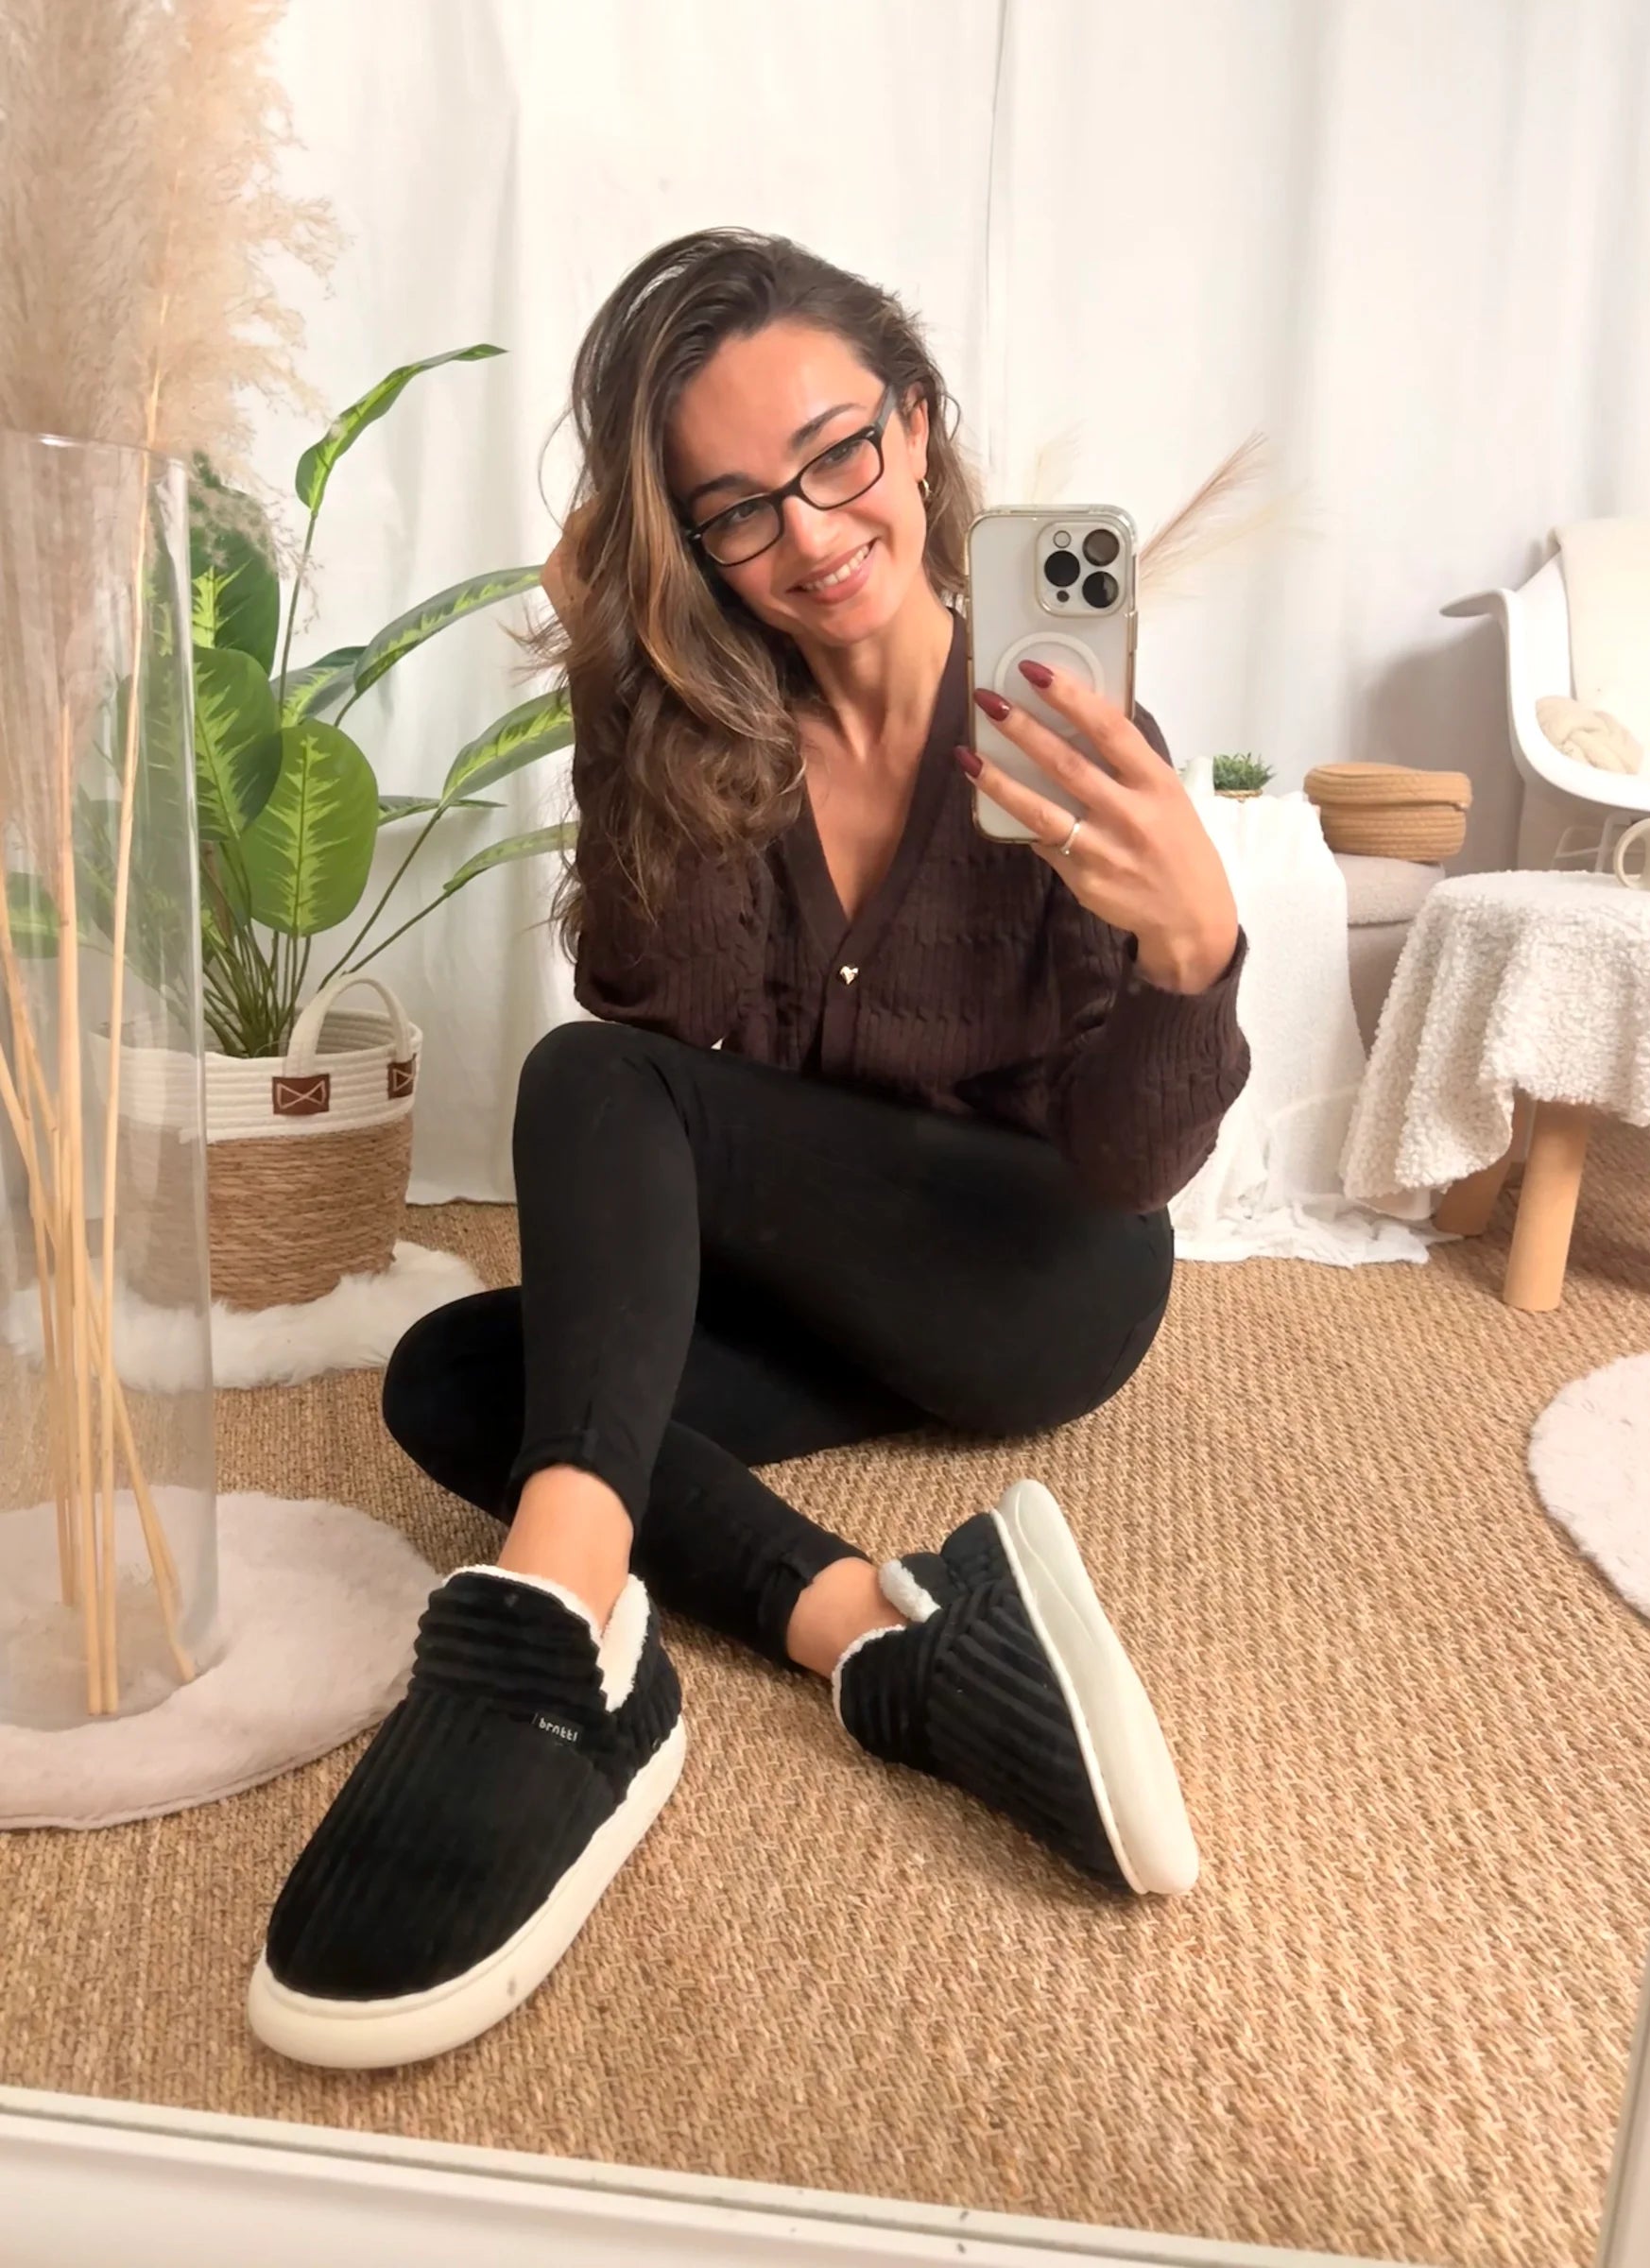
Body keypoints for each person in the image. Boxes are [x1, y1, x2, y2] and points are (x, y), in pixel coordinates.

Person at [247, 229, 1250, 2072]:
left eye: (839, 453)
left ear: (919, 428)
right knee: (460, 1379)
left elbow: (1126, 1168)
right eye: (734, 509)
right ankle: (885, 1639)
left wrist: (1195, 953)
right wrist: (617, 678)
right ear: (689, 543)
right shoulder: (720, 729)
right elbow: (664, 1004)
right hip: (811, 1290)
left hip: (1039, 1277)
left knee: (587, 1090)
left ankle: (554, 1634)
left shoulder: (1064, 733)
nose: (809, 532)